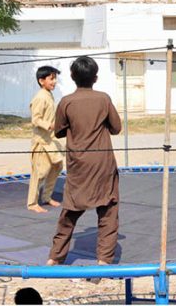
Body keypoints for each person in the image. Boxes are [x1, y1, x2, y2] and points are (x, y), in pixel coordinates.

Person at [46, 56, 122, 266]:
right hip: (103, 162)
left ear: (72, 77)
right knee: (108, 209)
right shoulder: (104, 99)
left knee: (70, 209)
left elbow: (59, 131)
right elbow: (116, 128)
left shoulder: (66, 101)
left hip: (78, 163)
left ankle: (55, 257)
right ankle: (104, 260)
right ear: (95, 78)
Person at [27, 65, 64, 213]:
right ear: (41, 80)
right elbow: (35, 120)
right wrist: (49, 125)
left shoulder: (48, 94)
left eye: (55, 78)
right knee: (40, 172)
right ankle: (32, 203)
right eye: (51, 78)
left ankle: (47, 196)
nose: (54, 81)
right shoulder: (40, 97)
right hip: (41, 141)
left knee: (57, 166)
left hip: (51, 140)